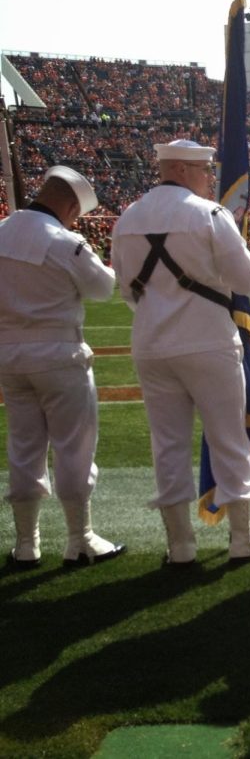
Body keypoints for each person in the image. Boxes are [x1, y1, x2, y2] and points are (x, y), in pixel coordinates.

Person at [112, 139, 250, 565]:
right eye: (205, 172)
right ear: (184, 170)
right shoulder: (209, 215)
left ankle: (180, 546)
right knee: (228, 439)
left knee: (167, 444)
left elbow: (127, 290)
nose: (209, 179)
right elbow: (246, 280)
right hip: (207, 341)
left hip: (151, 342)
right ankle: (242, 539)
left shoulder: (128, 218)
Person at [0, 166, 125, 569]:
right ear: (72, 206)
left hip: (9, 354)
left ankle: (26, 544)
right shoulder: (63, 242)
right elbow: (104, 288)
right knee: (74, 447)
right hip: (58, 354)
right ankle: (80, 539)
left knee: (23, 449)